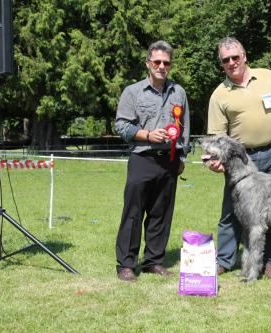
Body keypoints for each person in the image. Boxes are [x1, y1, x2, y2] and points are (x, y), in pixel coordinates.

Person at [206, 37, 271, 278]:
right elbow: (217, 136)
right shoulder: (219, 94)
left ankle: (270, 262)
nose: (231, 62)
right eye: (225, 60)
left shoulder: (268, 76)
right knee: (231, 212)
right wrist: (216, 161)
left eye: (235, 57)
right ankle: (225, 261)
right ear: (222, 64)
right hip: (240, 161)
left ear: (244, 56)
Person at [114, 40, 190, 282]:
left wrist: (182, 156)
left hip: (169, 160)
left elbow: (185, 128)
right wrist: (146, 134)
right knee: (133, 213)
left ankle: (153, 261)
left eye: (166, 62)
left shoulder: (179, 92)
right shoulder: (132, 92)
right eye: (156, 62)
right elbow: (122, 125)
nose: (161, 66)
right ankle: (126, 264)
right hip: (142, 158)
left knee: (161, 213)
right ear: (148, 63)